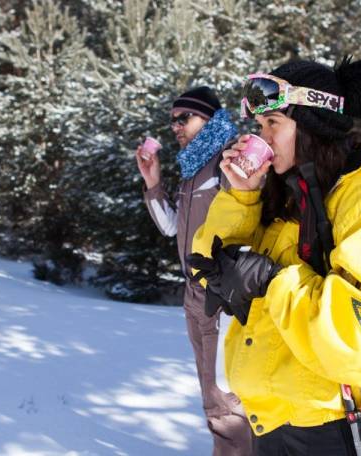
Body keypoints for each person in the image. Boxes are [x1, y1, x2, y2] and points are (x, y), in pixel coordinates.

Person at [187, 57, 361, 456]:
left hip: (336, 427)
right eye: (259, 126)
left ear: (311, 127)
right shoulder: (285, 193)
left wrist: (272, 280)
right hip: (270, 420)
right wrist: (240, 194)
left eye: (273, 124)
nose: (262, 137)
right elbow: (207, 267)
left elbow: (359, 336)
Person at [135, 86, 254, 455]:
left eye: (183, 117)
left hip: (222, 298)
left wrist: (232, 288)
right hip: (194, 297)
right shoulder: (191, 169)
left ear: (209, 118)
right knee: (211, 390)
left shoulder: (229, 160)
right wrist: (153, 184)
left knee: (227, 399)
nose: (175, 126)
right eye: (172, 120)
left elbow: (251, 221)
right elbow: (172, 227)